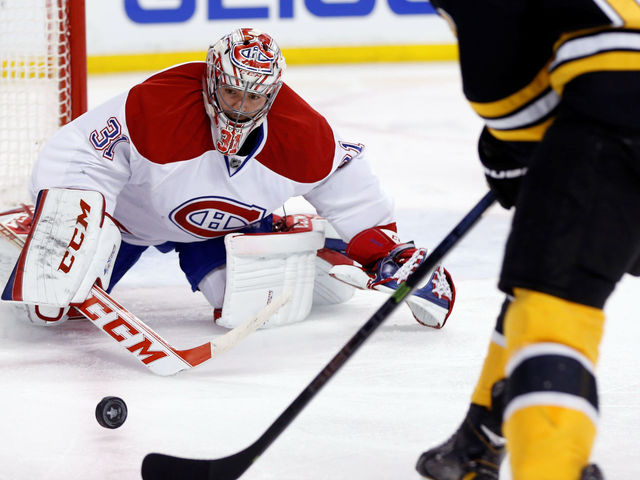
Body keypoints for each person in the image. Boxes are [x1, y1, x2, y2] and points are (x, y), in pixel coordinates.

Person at [0, 28, 455, 332]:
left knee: (249, 309)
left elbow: (345, 178)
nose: (240, 107)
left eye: (255, 96)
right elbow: (79, 149)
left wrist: (386, 251)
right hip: (128, 222)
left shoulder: (302, 133)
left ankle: (308, 243)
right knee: (51, 311)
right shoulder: (156, 105)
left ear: (272, 94)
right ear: (212, 78)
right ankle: (31, 234)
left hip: (220, 230)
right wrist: (73, 215)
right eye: (232, 90)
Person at [415, 2, 640, 480]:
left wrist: (507, 152)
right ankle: (480, 436)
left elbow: (503, 92)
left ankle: (549, 467)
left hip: (617, 112)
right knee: (550, 265)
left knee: (552, 307)